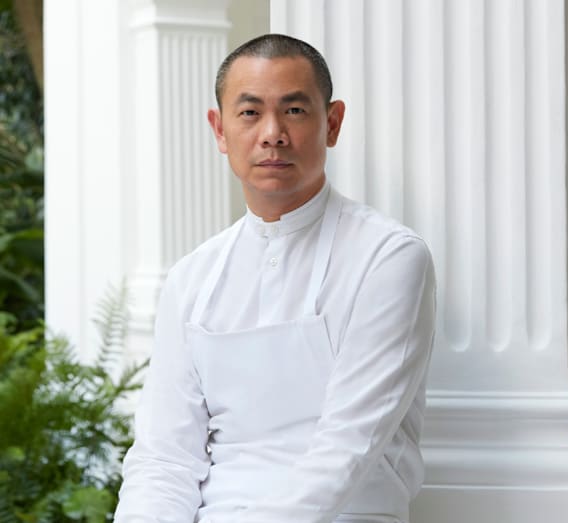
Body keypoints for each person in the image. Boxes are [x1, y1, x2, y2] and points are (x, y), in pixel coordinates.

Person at [114, 33, 436, 523]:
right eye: (250, 112)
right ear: (219, 130)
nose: (272, 134)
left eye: (294, 110)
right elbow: (164, 458)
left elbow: (346, 448)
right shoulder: (191, 278)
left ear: (332, 123)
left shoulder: (388, 258)